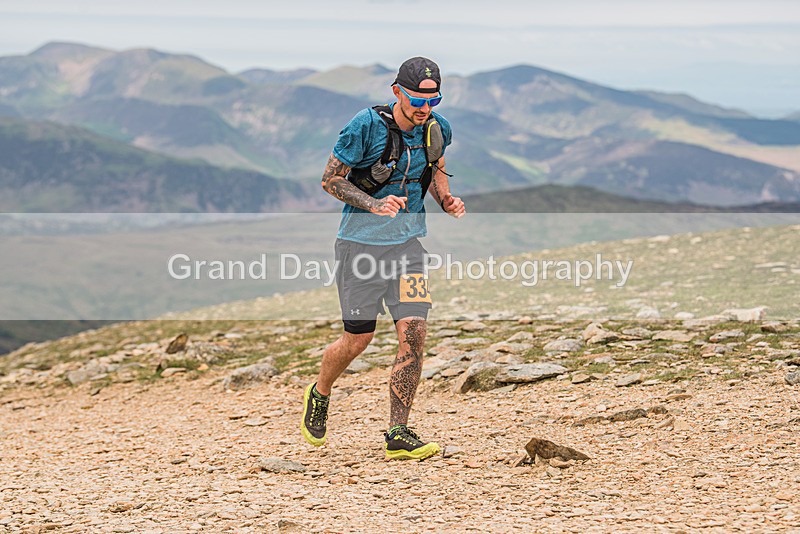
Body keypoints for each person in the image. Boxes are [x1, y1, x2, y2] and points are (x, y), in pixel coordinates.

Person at [300, 56, 466, 460]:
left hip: (408, 247)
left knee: (414, 333)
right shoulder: (365, 126)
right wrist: (373, 205)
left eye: (433, 100)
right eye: (416, 99)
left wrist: (444, 198)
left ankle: (398, 432)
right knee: (358, 338)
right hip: (359, 247)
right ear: (397, 92)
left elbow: (436, 165)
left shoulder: (437, 128)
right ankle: (320, 392)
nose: (424, 108)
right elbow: (330, 180)